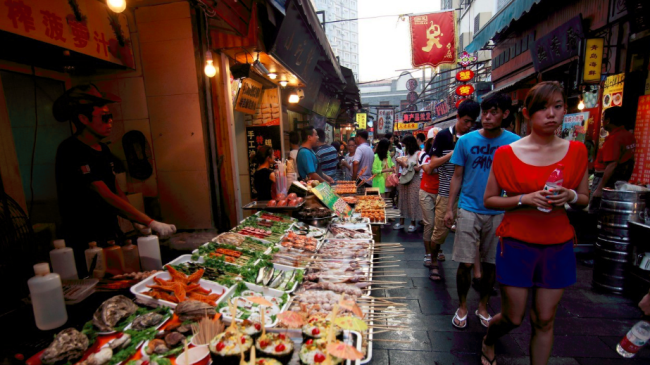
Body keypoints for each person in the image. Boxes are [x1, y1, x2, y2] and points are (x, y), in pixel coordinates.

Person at [481, 81, 590, 365]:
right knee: (514, 317)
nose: (551, 114)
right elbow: (490, 199)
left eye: (557, 107)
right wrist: (524, 199)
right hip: (516, 242)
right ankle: (490, 336)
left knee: (544, 319)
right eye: (543, 108)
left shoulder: (577, 151)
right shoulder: (506, 153)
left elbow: (585, 198)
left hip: (558, 243)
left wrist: (571, 194)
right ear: (527, 113)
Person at [54, 84, 176, 277]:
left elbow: (116, 190)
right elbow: (103, 193)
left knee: (121, 279)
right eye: (104, 117)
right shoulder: (71, 150)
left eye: (111, 116)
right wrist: (151, 222)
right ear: (83, 119)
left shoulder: (103, 150)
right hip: (85, 237)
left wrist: (136, 219)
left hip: (110, 231)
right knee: (97, 282)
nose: (110, 122)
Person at [444, 93, 520, 330]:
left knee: (490, 263)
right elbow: (457, 176)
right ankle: (463, 306)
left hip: (498, 210)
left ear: (505, 114)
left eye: (493, 112)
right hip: (468, 208)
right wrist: (450, 208)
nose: (486, 117)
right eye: (484, 112)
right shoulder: (465, 141)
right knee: (465, 263)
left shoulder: (515, 142)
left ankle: (484, 306)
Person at [427, 100, 480, 280]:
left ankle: (474, 270)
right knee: (440, 230)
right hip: (445, 191)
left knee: (472, 233)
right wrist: (454, 152)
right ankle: (433, 260)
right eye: (466, 121)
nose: (469, 125)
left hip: (469, 194)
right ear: (457, 117)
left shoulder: (476, 136)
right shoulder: (443, 136)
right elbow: (431, 165)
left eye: (472, 122)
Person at [590, 106, 636, 212]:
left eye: (603, 119)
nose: (602, 122)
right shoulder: (629, 135)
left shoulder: (614, 138)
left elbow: (612, 165)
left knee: (596, 210)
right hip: (619, 180)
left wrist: (600, 188)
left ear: (608, 121)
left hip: (606, 179)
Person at [418, 128, 440, 268]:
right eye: (434, 141)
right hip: (426, 191)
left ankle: (437, 250)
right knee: (430, 224)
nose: (436, 144)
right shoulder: (424, 154)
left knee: (440, 226)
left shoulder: (445, 153)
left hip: (442, 192)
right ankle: (428, 253)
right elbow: (428, 169)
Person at [394, 135, 422, 232]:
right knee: (402, 200)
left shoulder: (418, 153)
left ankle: (412, 222)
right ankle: (401, 222)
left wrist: (405, 165)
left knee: (413, 201)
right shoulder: (407, 155)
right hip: (404, 179)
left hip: (414, 180)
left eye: (405, 145)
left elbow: (419, 168)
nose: (404, 147)